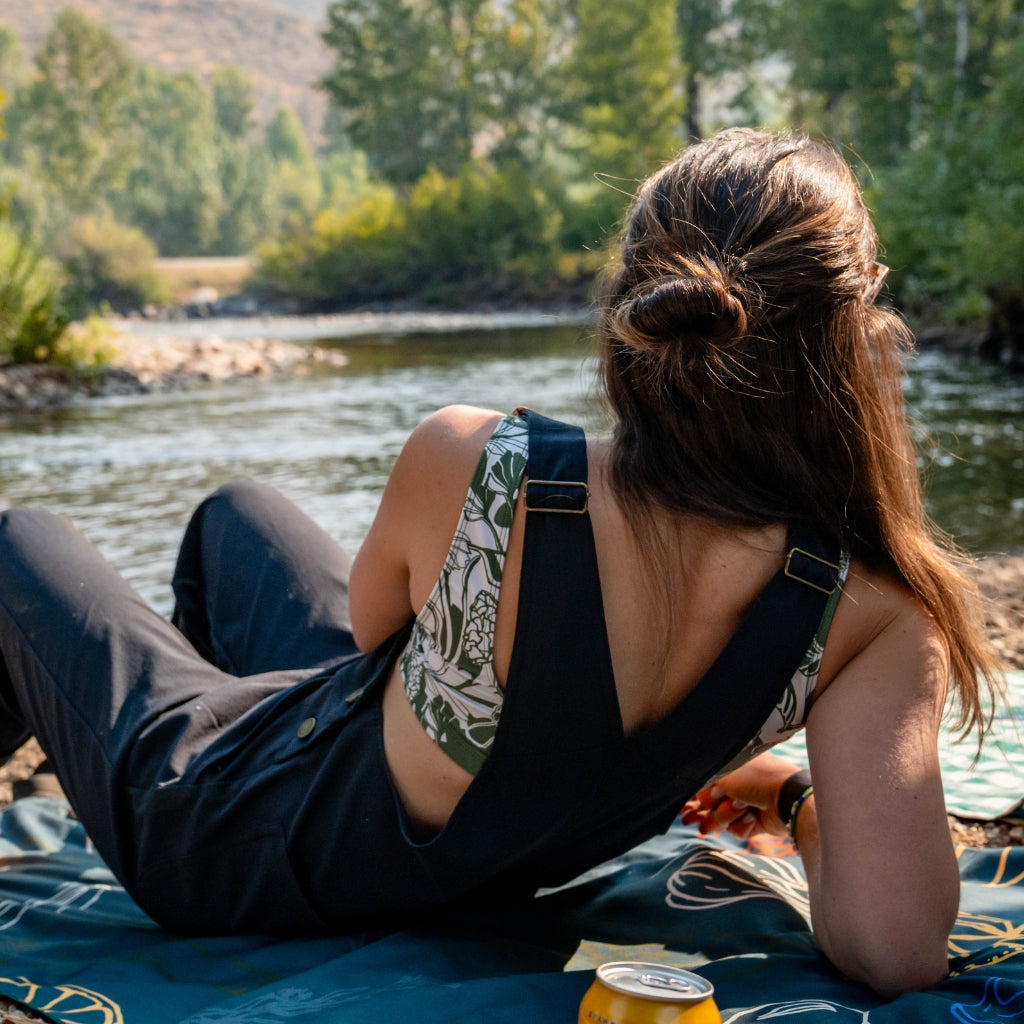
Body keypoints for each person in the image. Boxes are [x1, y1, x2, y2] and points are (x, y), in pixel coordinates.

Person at [0, 128, 1002, 1001]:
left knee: (17, 543)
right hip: (483, 857)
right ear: (852, 340)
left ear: (635, 309)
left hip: (216, 842)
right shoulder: (872, 609)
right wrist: (791, 793)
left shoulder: (480, 463)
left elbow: (373, 635)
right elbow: (897, 950)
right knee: (239, 515)